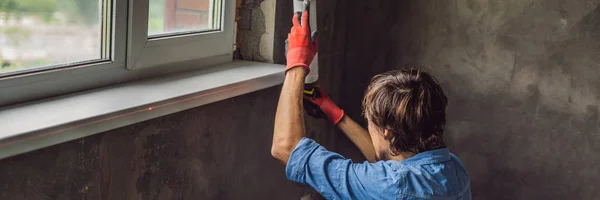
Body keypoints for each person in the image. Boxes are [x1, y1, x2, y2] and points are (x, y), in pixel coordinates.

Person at [271, 11, 472, 200]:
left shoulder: (392, 184)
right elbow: (390, 161)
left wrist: (297, 64)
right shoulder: (453, 168)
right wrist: (336, 114)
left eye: (370, 123)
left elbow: (286, 149)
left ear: (387, 131)